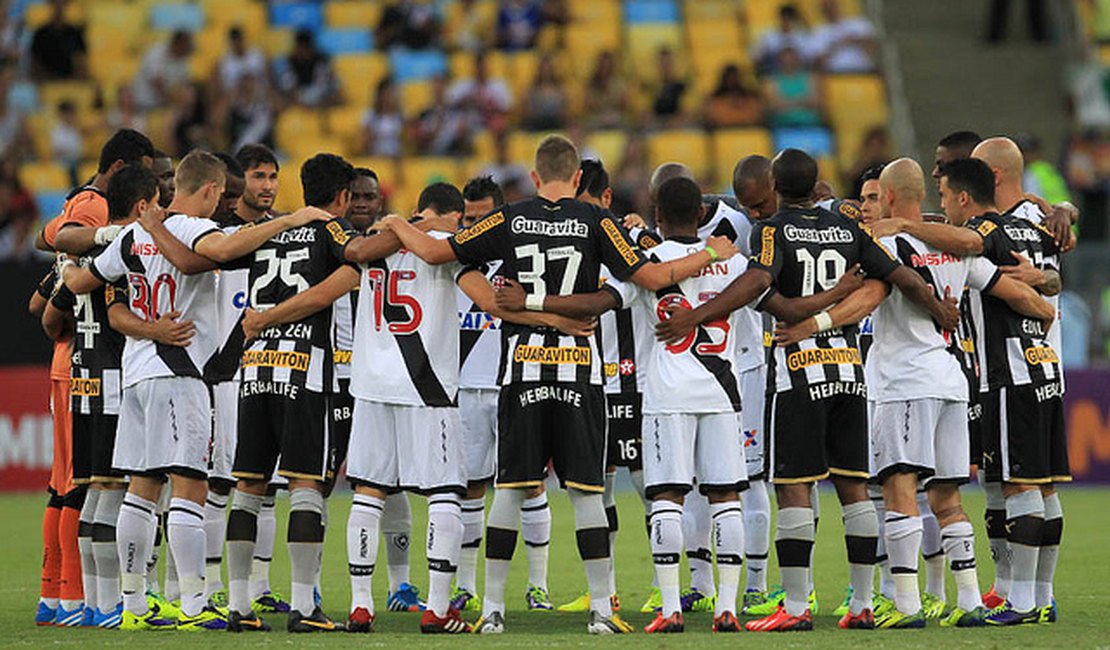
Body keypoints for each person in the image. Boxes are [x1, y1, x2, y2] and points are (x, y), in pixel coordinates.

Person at [379, 135, 739, 635]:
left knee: (509, 489)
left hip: (521, 368)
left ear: (533, 176)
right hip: (579, 374)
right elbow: (652, 277)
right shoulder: (597, 221)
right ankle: (599, 610)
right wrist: (707, 256)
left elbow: (436, 254)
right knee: (588, 492)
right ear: (575, 179)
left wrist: (398, 221)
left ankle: (493, 610)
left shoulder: (508, 217)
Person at [656, 148, 960, 632]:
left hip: (799, 374)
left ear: (775, 184)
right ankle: (862, 603)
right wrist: (936, 306)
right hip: (848, 372)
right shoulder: (848, 229)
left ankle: (796, 609)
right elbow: (898, 274)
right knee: (855, 489)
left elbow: (758, 284)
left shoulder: (773, 230)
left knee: (794, 488)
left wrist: (699, 315)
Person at [62, 150, 330, 631]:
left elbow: (83, 280)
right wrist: (292, 219)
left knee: (142, 491)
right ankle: (192, 605)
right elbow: (223, 252)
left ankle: (134, 606)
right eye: (221, 194)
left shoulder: (131, 234)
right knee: (191, 487)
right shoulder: (189, 228)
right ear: (209, 190)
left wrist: (65, 266)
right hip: (180, 372)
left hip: (136, 373)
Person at [870, 156, 1066, 626]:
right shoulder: (963, 250)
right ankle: (973, 601)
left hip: (907, 380)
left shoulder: (892, 241)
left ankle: (908, 604)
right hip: (954, 384)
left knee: (900, 490)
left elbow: (871, 294)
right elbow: (1008, 286)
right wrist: (1045, 305)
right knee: (950, 498)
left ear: (891, 197)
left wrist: (820, 319)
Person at [41, 165, 195, 629]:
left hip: (83, 375)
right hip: (114, 377)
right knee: (113, 493)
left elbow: (50, 311)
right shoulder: (130, 247)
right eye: (160, 198)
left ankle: (87, 603)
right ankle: (109, 603)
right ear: (143, 204)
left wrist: (66, 280)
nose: (166, 206)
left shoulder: (89, 252)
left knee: (89, 492)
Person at [625, 177, 751, 634]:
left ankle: (672, 607)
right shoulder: (733, 262)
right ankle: (728, 608)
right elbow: (765, 293)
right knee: (726, 496)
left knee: (667, 496)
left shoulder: (647, 262)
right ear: (702, 214)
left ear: (656, 214)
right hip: (722, 392)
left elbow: (606, 300)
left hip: (667, 393)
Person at [452, 176, 556, 614]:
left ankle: (538, 586)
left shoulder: (524, 258)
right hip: (465, 388)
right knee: (470, 486)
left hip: (516, 382)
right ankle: (465, 585)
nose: (474, 228)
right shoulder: (454, 260)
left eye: (483, 219)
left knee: (529, 483)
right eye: (468, 219)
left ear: (501, 217)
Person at [557, 160, 654, 615]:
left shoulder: (633, 239)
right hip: (590, 377)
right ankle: (606, 589)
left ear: (606, 200)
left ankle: (664, 583)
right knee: (597, 487)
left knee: (649, 487)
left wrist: (645, 229)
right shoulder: (567, 239)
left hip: (629, 379)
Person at [132, 30, 194, 111]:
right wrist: (174, 100)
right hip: (144, 103)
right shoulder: (156, 53)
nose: (187, 51)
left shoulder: (183, 60)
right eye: (186, 47)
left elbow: (185, 82)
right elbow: (156, 82)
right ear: (178, 44)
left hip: (163, 105)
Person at [810, 0, 876, 73]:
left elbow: (872, 49)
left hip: (862, 72)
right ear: (822, 11)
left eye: (832, 6)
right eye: (827, 8)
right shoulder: (818, 32)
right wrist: (837, 46)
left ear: (838, 6)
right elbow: (817, 63)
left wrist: (854, 40)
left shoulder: (858, 23)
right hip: (834, 76)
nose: (831, 10)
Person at [765, 47, 821, 128]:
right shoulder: (771, 81)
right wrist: (802, 101)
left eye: (792, 59)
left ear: (798, 60)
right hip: (782, 125)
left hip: (811, 124)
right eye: (786, 59)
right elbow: (774, 107)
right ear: (780, 61)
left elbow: (817, 103)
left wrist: (787, 102)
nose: (789, 62)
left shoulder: (811, 78)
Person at [279, 30, 338, 107]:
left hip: (320, 100)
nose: (303, 52)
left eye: (305, 48)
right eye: (300, 48)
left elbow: (330, 88)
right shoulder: (290, 63)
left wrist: (319, 101)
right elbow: (288, 88)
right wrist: (300, 100)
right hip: (298, 103)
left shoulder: (321, 62)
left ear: (311, 48)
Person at [30, 0, 87, 80]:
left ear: (66, 7)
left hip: (70, 82)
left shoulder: (74, 33)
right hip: (46, 83)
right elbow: (35, 63)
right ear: (51, 6)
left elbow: (81, 61)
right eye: (56, 4)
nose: (59, 8)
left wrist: (74, 80)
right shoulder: (40, 33)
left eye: (62, 4)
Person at [754, 4, 814, 74]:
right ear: (780, 19)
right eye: (784, 19)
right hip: (774, 71)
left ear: (795, 21)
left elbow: (809, 57)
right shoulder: (768, 36)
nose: (786, 23)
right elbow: (756, 56)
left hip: (797, 71)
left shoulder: (802, 36)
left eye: (789, 19)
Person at [704, 64, 764, 128]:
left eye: (734, 77)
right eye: (729, 78)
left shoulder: (749, 97)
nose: (732, 80)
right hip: (721, 132)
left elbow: (755, 115)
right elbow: (713, 117)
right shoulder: (715, 98)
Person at [521, 54, 568, 131]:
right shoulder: (532, 90)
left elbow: (564, 111)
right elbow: (527, 111)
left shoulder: (560, 90)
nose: (546, 71)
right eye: (543, 68)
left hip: (556, 124)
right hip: (537, 124)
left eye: (548, 68)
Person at [360, 78, 404, 158]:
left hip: (396, 158)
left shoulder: (401, 116)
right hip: (376, 157)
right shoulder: (370, 116)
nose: (391, 97)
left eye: (393, 93)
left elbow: (408, 143)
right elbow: (363, 143)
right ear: (380, 95)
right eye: (388, 93)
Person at [583, 51, 628, 130]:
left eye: (608, 65)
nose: (605, 68)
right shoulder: (591, 83)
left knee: (624, 123)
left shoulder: (619, 82)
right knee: (589, 124)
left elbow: (624, 104)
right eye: (603, 65)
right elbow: (588, 105)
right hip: (597, 116)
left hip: (615, 114)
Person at [215, 27, 268, 94]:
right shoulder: (224, 61)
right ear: (231, 43)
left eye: (239, 41)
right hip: (236, 96)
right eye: (234, 42)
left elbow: (267, 76)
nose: (237, 45)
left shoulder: (257, 54)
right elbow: (221, 86)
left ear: (243, 40)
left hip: (258, 93)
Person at [377, 0, 441, 50]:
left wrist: (425, 25)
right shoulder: (390, 11)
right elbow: (380, 34)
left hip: (424, 46)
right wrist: (393, 31)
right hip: (398, 48)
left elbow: (435, 30)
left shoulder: (423, 11)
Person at [649, 48, 689, 126]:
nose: (665, 67)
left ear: (673, 64)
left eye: (668, 63)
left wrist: (675, 122)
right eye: (662, 63)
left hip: (679, 125)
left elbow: (688, 112)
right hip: (656, 126)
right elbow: (645, 113)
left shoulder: (683, 85)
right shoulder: (650, 86)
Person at [51, 100, 84, 188]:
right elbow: (57, 152)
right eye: (70, 114)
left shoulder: (75, 129)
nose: (72, 116)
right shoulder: (57, 131)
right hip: (64, 164)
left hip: (77, 161)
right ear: (63, 115)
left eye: (73, 114)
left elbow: (80, 149)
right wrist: (72, 152)